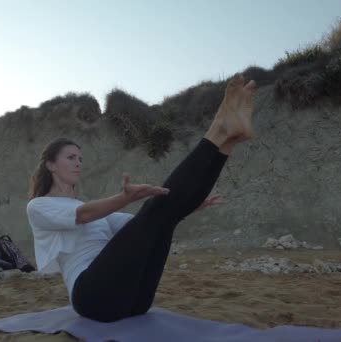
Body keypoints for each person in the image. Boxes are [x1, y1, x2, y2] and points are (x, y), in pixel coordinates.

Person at [26, 74, 256, 323]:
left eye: (80, 159)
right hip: (91, 298)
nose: (78, 164)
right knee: (156, 211)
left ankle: (228, 142)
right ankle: (218, 127)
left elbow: (143, 225)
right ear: (50, 164)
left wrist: (187, 207)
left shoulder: (92, 210)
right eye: (71, 158)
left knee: (163, 219)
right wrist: (124, 198)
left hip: (134, 300)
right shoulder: (39, 206)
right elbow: (82, 216)